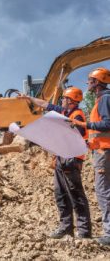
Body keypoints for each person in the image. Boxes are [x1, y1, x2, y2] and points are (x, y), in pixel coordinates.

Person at [20, 87, 92, 239]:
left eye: (65, 98)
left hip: (71, 159)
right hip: (61, 157)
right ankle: (66, 228)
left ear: (71, 101)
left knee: (76, 195)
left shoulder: (77, 115)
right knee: (61, 194)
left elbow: (75, 136)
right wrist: (28, 98)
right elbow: (46, 105)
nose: (62, 100)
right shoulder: (64, 112)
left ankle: (84, 232)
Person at [70, 67, 110, 245]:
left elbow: (106, 125)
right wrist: (89, 143)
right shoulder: (103, 99)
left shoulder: (104, 99)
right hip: (101, 149)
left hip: (104, 151)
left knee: (103, 192)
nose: (88, 83)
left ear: (97, 82)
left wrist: (84, 124)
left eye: (90, 80)